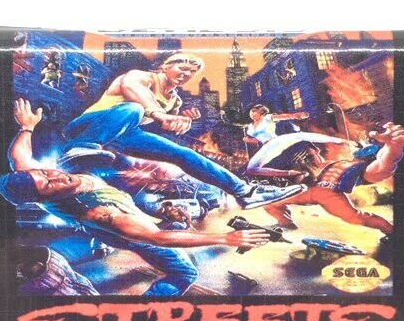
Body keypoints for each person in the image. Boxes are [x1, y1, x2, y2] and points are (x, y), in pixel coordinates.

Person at [0, 99, 272, 296]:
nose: (56, 178)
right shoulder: (102, 213)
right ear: (42, 198)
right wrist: (224, 238)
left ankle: (85, 145)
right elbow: (157, 238)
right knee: (184, 272)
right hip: (122, 227)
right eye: (49, 186)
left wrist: (27, 127)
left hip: (109, 192)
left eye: (46, 173)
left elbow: (19, 158)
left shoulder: (38, 176)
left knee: (131, 110)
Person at [58, 53, 305, 209]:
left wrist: (182, 120)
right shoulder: (142, 77)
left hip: (122, 136)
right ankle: (77, 150)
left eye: (191, 73)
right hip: (87, 127)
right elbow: (133, 90)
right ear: (164, 67)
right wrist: (160, 114)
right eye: (182, 68)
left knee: (183, 154)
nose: (186, 75)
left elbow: (163, 126)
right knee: (133, 108)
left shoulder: (175, 100)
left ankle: (245, 191)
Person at [263, 122, 404, 235]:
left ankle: (390, 230)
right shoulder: (327, 162)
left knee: (355, 218)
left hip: (327, 193)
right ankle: (286, 223)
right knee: (270, 203)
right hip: (308, 191)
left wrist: (393, 147)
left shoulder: (346, 166)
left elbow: (381, 169)